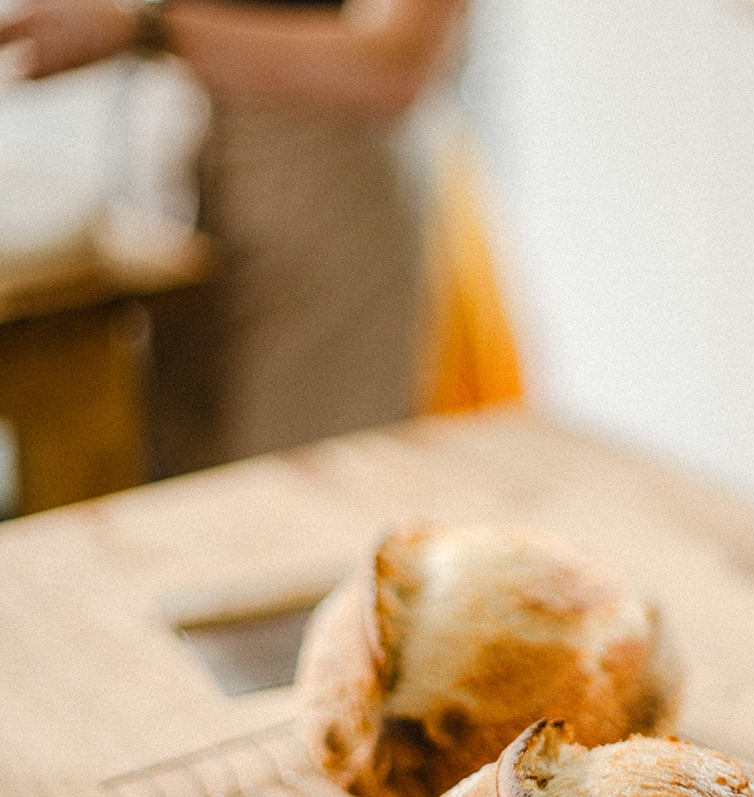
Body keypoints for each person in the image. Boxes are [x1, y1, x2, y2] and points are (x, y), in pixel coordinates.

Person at [0, 0, 468, 477]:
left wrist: (141, 28)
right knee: (185, 476)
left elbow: (395, 65)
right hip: (191, 159)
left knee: (301, 481)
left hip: (322, 183)